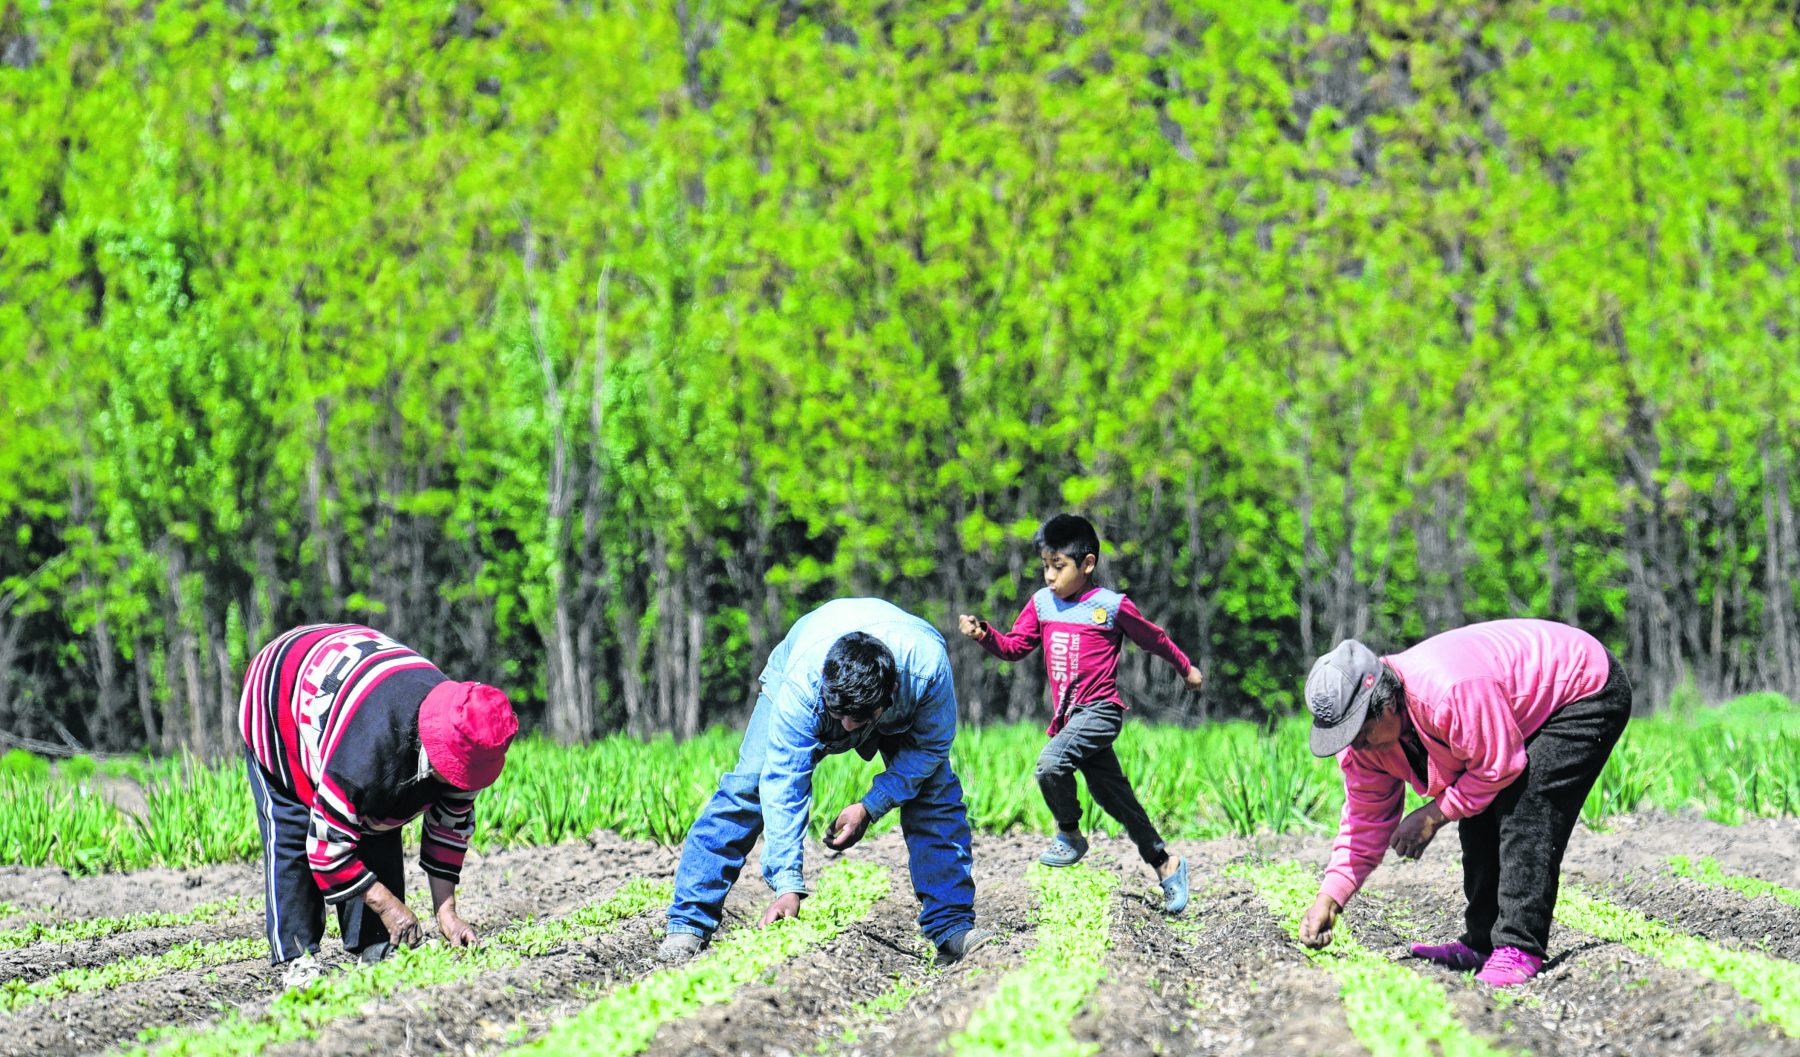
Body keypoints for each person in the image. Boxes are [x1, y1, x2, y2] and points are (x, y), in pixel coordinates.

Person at [1297, 618, 1632, 986]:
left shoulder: (1449, 692)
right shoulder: (1364, 751)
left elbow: (1497, 769)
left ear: (1387, 702)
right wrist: (1329, 898)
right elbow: (1364, 825)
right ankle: (1482, 945)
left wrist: (1432, 815)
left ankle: (1520, 946)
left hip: (1581, 687)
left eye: (1359, 731)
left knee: (1525, 807)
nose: (1356, 746)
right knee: (1478, 812)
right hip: (1508, 706)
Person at [660, 598, 990, 964]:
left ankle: (952, 926)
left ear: (889, 693)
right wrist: (787, 885)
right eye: (840, 715)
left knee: (935, 794)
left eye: (860, 718)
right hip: (806, 661)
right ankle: (688, 923)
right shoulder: (804, 684)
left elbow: (929, 749)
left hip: (905, 696)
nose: (848, 728)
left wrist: (871, 805)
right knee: (748, 787)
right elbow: (783, 781)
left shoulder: (928, 671)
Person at [239, 623, 518, 982]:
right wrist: (390, 908)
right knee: (293, 828)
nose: (462, 783)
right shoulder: (364, 759)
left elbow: (450, 825)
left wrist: (446, 914)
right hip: (278, 690)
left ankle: (375, 948)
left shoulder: (468, 726)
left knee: (381, 819)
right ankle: (297, 955)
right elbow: (327, 849)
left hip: (360, 688)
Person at [958, 513, 1205, 914]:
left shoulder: (1110, 606)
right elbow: (1015, 647)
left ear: (1087, 564)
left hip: (1102, 711)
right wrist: (985, 634)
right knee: (1116, 798)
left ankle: (1070, 834)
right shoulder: (1041, 604)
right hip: (1072, 718)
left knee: (1051, 763)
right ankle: (1166, 863)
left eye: (1059, 567)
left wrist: (1185, 667)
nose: (1049, 577)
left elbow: (1153, 638)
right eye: (1045, 567)